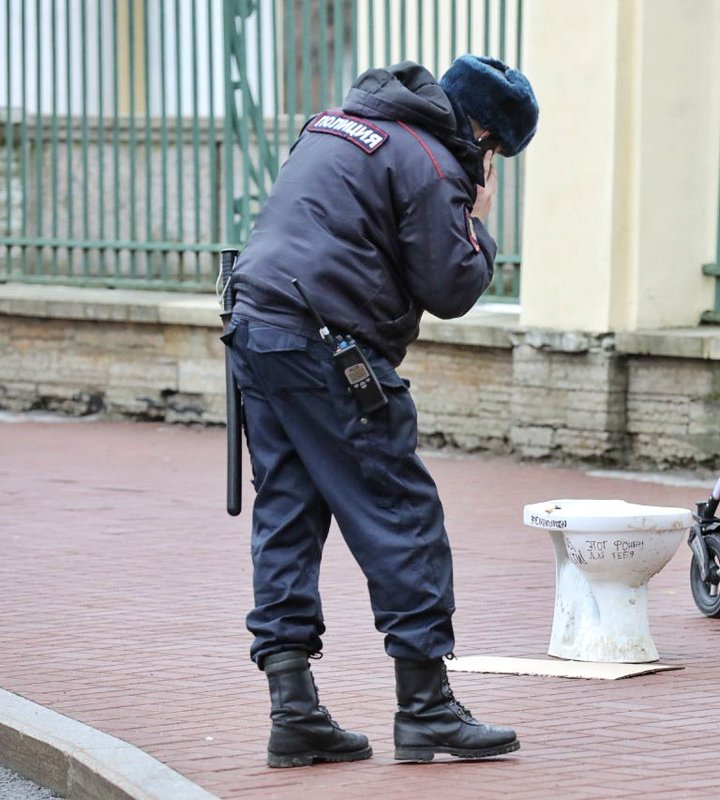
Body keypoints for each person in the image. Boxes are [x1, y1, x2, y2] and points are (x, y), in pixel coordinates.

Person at [222, 54, 538, 768]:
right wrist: (480, 223)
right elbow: (451, 286)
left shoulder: (338, 125)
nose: (488, 165)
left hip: (256, 328)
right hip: (326, 346)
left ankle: (293, 711)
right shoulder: (429, 160)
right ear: (482, 132)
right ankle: (426, 708)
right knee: (401, 513)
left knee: (289, 511)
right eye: (493, 153)